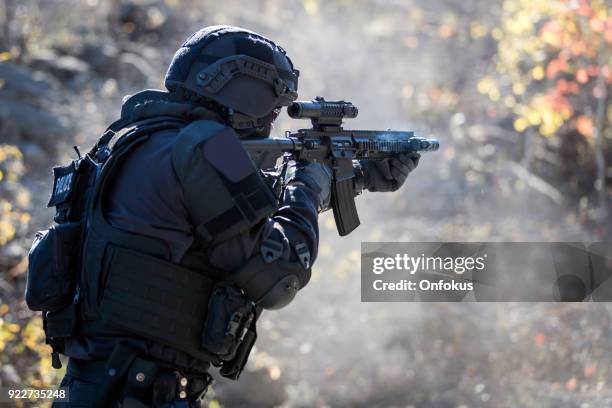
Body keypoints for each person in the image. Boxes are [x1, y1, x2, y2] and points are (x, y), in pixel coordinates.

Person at [46, 25, 419, 407]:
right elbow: (279, 276)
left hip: (95, 386)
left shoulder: (136, 141)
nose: (272, 121)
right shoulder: (208, 147)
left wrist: (354, 178)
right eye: (273, 109)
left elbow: (231, 217)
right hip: (141, 391)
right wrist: (307, 185)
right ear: (246, 94)